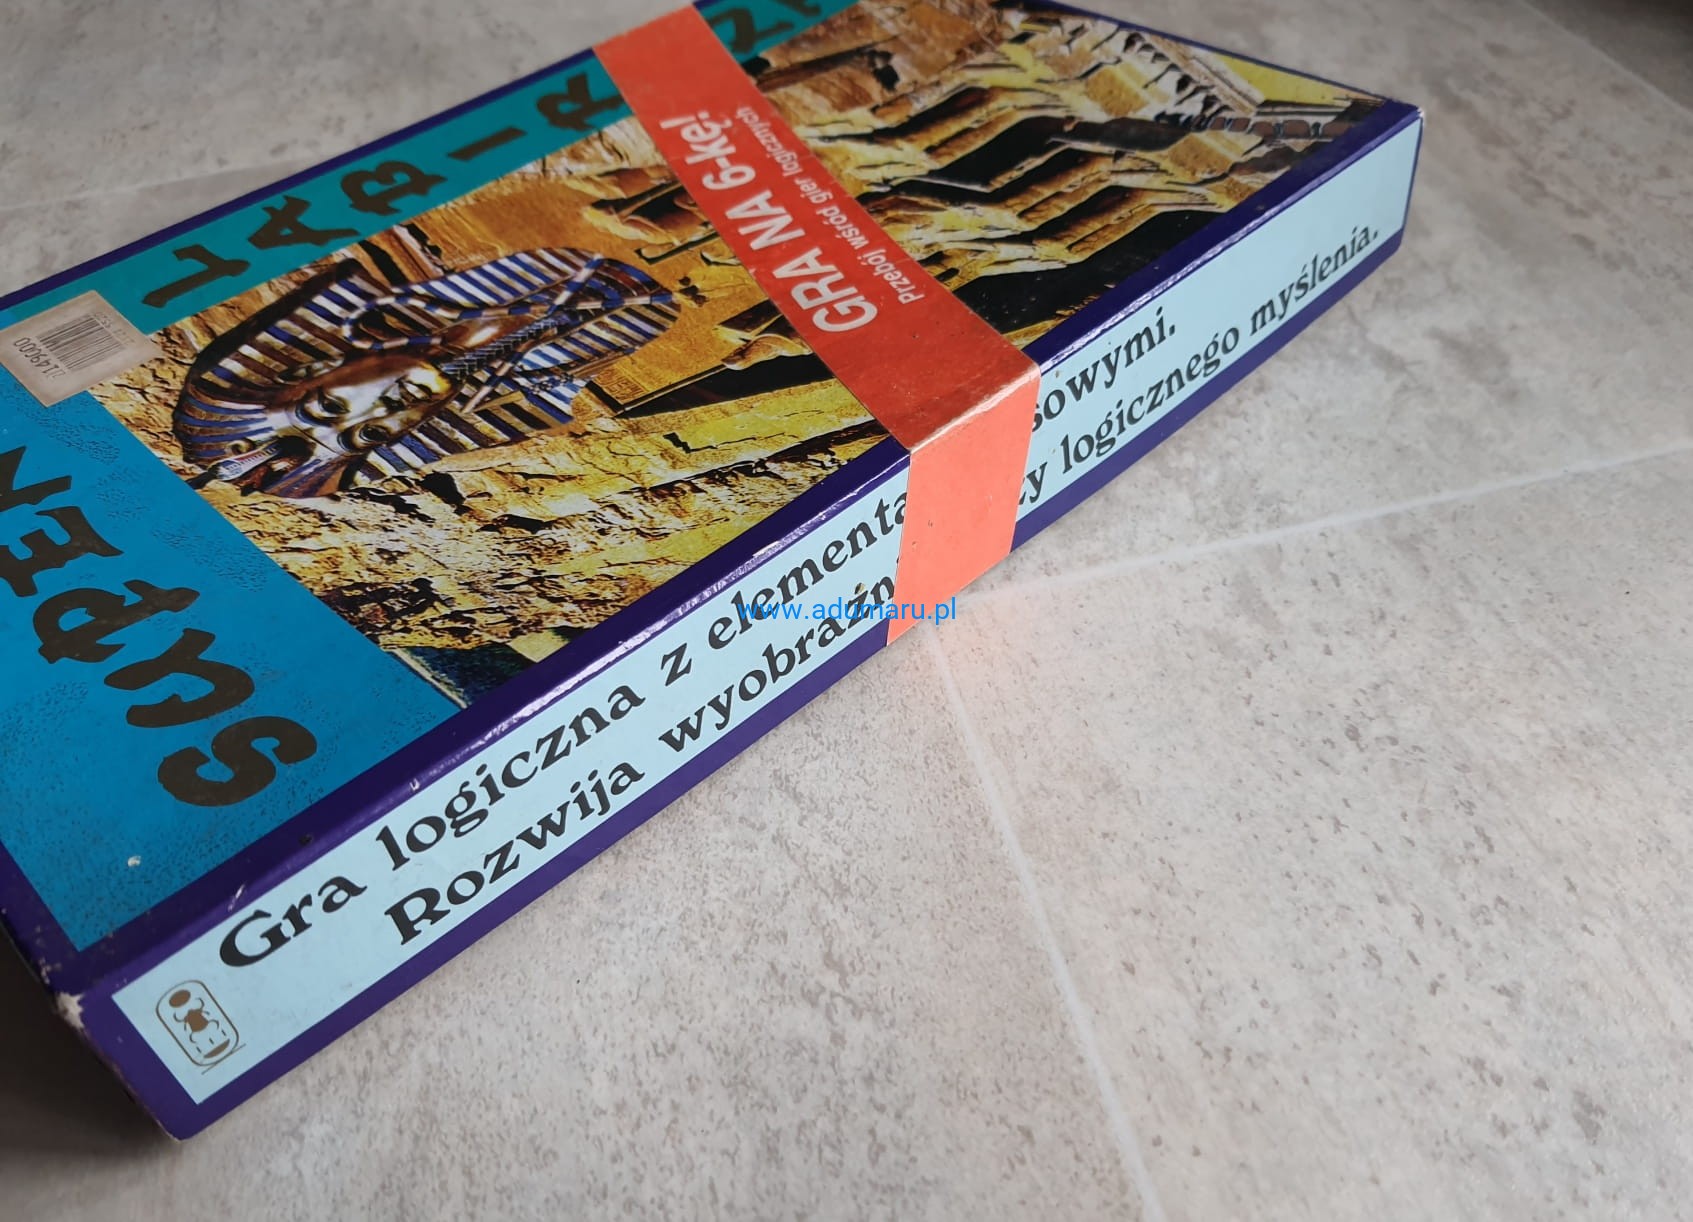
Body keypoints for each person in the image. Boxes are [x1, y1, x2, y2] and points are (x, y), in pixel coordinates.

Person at [176, 248, 679, 497]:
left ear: (313, 369)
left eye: (329, 406)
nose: (383, 409)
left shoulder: (427, 267)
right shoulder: (531, 372)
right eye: (370, 434)